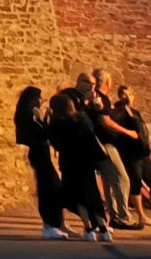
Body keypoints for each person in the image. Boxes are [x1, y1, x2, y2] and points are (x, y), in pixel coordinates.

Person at [47, 87, 113, 241]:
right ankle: (103, 229)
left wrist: (47, 121)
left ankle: (89, 229)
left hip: (69, 164)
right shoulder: (82, 120)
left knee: (79, 198)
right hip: (86, 163)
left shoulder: (58, 124)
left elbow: (56, 144)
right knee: (93, 195)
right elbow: (91, 138)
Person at [78, 72, 140, 228]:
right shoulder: (101, 99)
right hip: (105, 143)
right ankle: (123, 217)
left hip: (99, 143)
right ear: (107, 81)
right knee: (122, 178)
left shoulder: (93, 98)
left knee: (109, 179)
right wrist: (128, 132)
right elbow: (105, 121)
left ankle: (114, 215)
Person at [14, 86, 68, 240]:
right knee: (49, 188)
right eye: (40, 97)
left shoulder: (28, 114)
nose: (42, 99)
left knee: (51, 187)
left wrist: (43, 119)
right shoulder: (30, 114)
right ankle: (49, 225)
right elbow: (43, 132)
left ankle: (52, 224)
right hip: (39, 152)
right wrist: (46, 118)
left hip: (40, 152)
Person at [112, 86, 151, 227]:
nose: (127, 97)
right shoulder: (118, 113)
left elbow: (142, 131)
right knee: (136, 183)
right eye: (124, 94)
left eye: (130, 94)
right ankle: (142, 216)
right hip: (130, 153)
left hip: (143, 152)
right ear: (120, 96)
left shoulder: (136, 112)